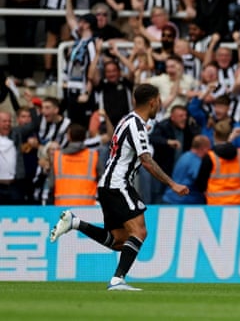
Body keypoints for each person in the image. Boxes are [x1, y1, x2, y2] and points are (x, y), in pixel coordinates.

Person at [49, 84, 190, 291]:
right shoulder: (136, 125)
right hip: (118, 185)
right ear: (153, 102)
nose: (159, 106)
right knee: (139, 232)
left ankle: (75, 223)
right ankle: (117, 280)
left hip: (108, 185)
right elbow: (146, 160)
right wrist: (173, 183)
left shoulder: (127, 120)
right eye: (159, 101)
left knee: (118, 241)